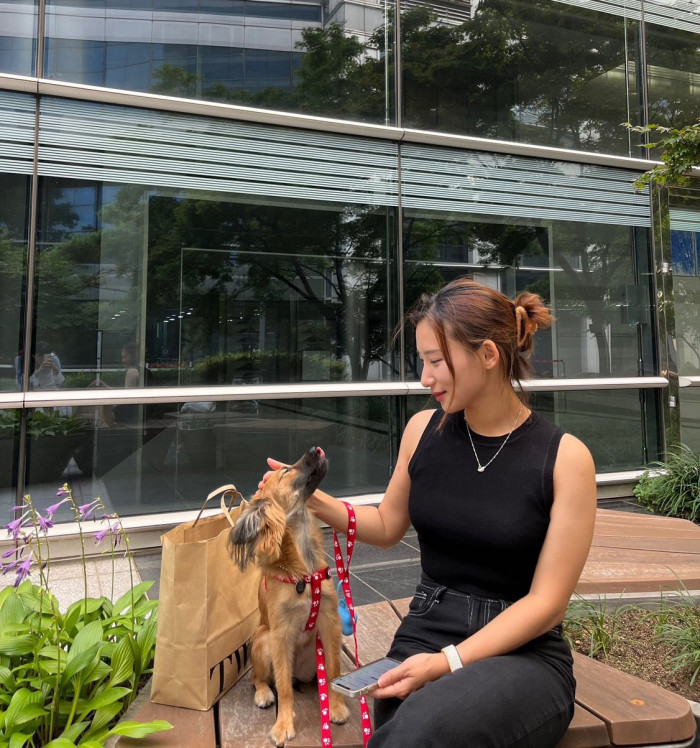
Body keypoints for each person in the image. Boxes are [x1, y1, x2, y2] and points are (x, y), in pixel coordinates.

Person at [260, 277, 597, 747]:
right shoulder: (423, 430)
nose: (424, 377)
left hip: (524, 653)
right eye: (423, 361)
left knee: (420, 733)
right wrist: (307, 497)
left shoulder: (564, 459)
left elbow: (546, 604)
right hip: (427, 631)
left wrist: (448, 663)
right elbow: (385, 525)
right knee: (408, 723)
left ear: (488, 355)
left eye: (436, 361)